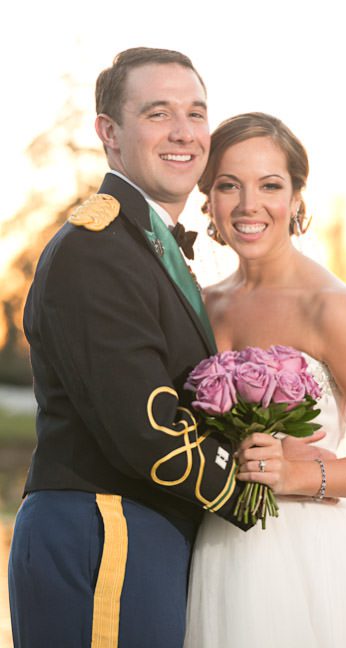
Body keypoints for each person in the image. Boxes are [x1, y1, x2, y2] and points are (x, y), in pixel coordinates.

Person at [7, 48, 258, 646]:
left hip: (139, 531)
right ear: (109, 132)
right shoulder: (97, 251)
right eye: (158, 114)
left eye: (196, 114)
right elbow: (147, 431)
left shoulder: (145, 246)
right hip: (105, 533)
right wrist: (259, 493)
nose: (184, 133)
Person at [182, 112, 346, 647]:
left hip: (312, 559)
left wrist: (298, 476)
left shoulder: (331, 307)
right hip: (214, 549)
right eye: (229, 185)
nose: (248, 204)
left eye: (270, 185)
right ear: (208, 199)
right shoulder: (201, 305)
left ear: (297, 198)